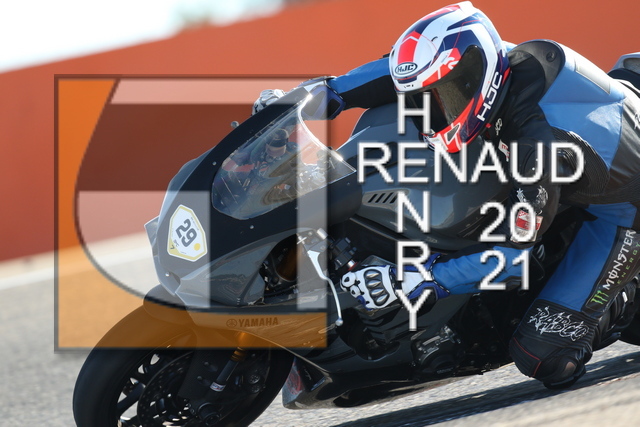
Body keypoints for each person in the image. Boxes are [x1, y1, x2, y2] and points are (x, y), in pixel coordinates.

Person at [253, 1, 640, 388]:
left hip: (622, 210)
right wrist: (298, 103)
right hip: (585, 161)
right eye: (424, 98)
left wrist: (411, 280)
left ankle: (624, 295)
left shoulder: (536, 143)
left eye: (444, 96)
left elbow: (511, 259)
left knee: (542, 354)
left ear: (475, 78)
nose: (433, 109)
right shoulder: (485, 63)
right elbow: (376, 78)